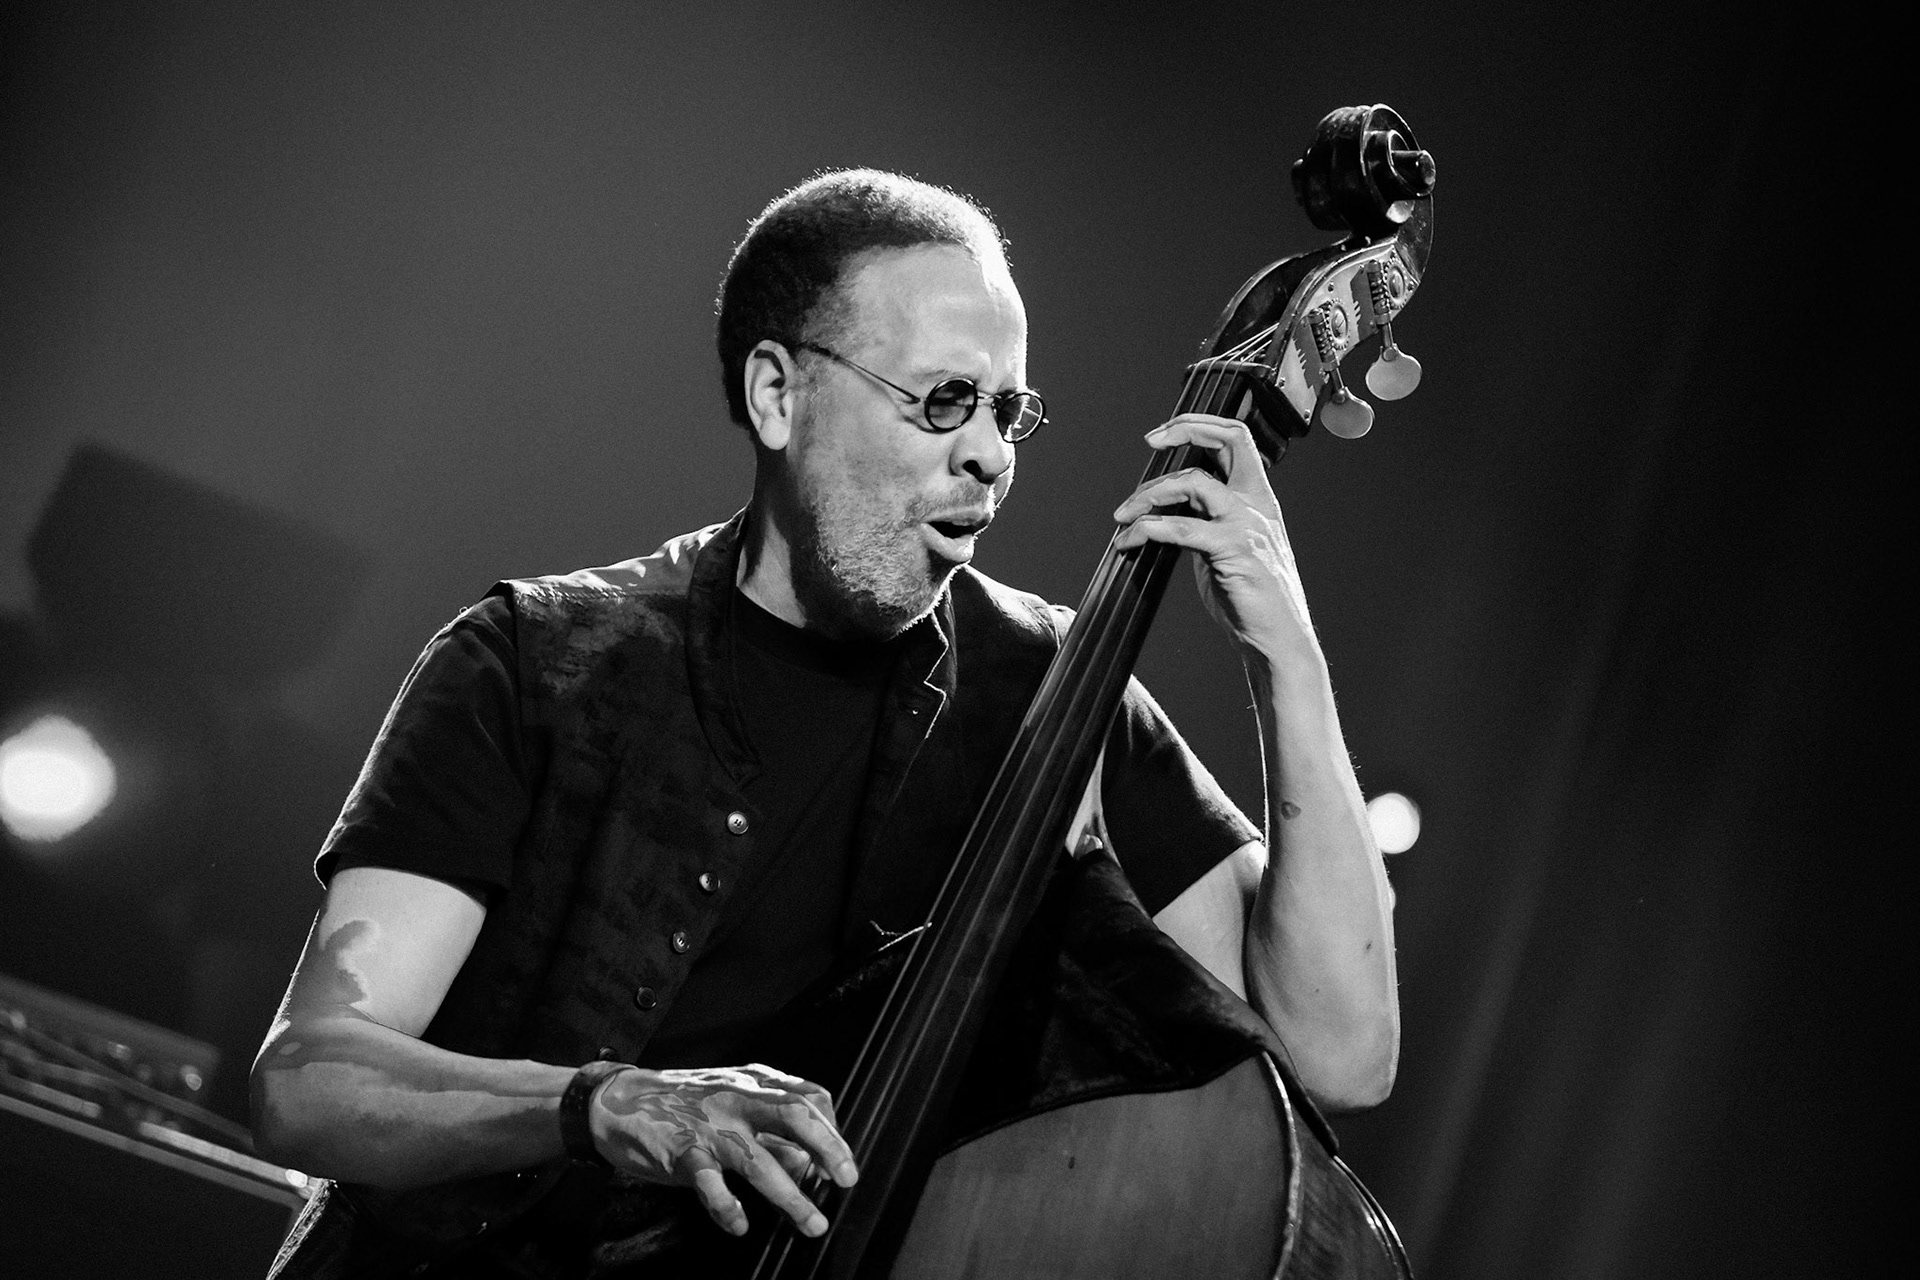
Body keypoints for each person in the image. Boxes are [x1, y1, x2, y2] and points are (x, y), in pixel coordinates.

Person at [251, 170, 1398, 1277]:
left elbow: (1336, 1053)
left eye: (1008, 410)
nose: (991, 454)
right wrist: (602, 1104)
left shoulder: (1055, 694)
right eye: (943, 400)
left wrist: (1285, 654)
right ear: (778, 395)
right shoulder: (533, 661)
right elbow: (311, 1075)